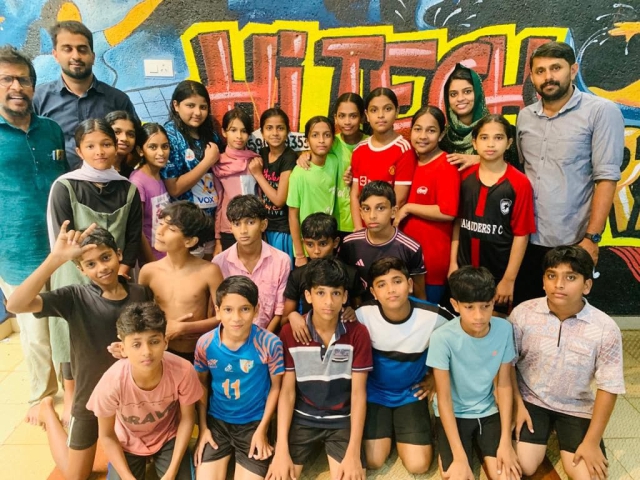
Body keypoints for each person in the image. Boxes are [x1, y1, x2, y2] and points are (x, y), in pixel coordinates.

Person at [6, 223, 153, 480]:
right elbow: (15, 304)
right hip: (89, 398)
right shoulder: (74, 297)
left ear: (118, 254)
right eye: (91, 264)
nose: (102, 267)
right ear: (80, 269)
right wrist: (55, 259)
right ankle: (47, 411)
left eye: (105, 257)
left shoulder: (140, 293)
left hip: (130, 397)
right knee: (76, 476)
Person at [47, 118, 142, 423]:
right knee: (70, 333)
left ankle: (115, 393)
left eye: (106, 144)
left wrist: (120, 273)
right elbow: (61, 240)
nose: (99, 151)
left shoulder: (128, 189)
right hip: (73, 272)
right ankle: (72, 394)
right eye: (90, 146)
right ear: (79, 151)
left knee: (114, 331)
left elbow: (132, 238)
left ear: (116, 147)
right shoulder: (64, 187)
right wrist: (87, 272)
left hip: (116, 273)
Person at [514, 41, 625, 304]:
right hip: (525, 240)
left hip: (572, 242)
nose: (548, 77)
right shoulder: (525, 117)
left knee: (569, 315)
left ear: (573, 70)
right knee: (527, 314)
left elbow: (606, 179)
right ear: (532, 76)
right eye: (540, 71)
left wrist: (591, 239)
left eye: (556, 68)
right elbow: (520, 171)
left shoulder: (600, 112)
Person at [510, 246, 625, 480]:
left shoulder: (606, 328)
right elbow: (507, 365)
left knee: (588, 476)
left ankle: (568, 434)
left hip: (576, 406)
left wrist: (591, 442)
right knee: (524, 465)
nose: (559, 284)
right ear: (543, 282)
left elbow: (609, 386)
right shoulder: (523, 314)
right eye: (551, 276)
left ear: (587, 285)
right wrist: (516, 405)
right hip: (531, 399)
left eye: (570, 277)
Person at [0, 45, 67, 425]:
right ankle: (41, 398)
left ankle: (73, 387)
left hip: (60, 243)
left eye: (23, 79)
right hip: (17, 249)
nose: (16, 87)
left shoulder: (50, 130)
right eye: (6, 79)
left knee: (65, 322)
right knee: (36, 329)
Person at [268, 258, 372, 480]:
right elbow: (287, 393)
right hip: (303, 417)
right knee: (280, 473)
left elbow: (358, 393)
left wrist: (353, 451)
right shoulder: (290, 333)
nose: (329, 302)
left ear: (345, 296)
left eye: (336, 293)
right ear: (308, 296)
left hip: (341, 418)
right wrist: (281, 449)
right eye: (321, 293)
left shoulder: (358, 333)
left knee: (352, 474)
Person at [357, 256, 452, 474]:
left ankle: (407, 430)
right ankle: (387, 431)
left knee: (418, 465)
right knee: (373, 460)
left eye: (397, 281)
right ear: (373, 292)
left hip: (411, 393)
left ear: (409, 285)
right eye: (382, 284)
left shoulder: (433, 316)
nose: (391, 289)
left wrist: (434, 378)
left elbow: (461, 337)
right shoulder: (363, 314)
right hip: (375, 393)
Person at [87, 302, 202, 480]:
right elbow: (107, 435)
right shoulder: (111, 382)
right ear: (123, 348)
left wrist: (172, 472)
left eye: (154, 342)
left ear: (165, 342)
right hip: (127, 441)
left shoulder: (183, 370)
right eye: (136, 344)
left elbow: (187, 419)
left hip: (167, 436)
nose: (146, 352)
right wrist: (127, 477)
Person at [426, 266, 521, 480]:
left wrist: (506, 442)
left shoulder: (504, 329)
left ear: (493, 302)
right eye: (469, 307)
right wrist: (459, 457)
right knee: (457, 475)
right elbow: (444, 398)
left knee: (507, 475)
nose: (479, 316)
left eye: (485, 306)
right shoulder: (442, 338)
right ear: (455, 305)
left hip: (488, 410)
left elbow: (504, 384)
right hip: (454, 413)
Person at [193, 276, 284, 480]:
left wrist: (263, 429)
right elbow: (201, 384)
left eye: (244, 309)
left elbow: (276, 387)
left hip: (253, 424)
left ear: (256, 309)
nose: (236, 318)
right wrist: (204, 428)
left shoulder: (270, 344)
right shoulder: (205, 344)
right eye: (228, 309)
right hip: (217, 423)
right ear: (217, 310)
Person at [450, 114, 535, 310]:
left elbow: (521, 234)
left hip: (498, 275)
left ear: (509, 143)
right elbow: (458, 222)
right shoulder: (463, 177)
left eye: (498, 138)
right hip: (464, 271)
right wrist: (453, 263)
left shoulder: (519, 183)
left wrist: (508, 279)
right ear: (474, 142)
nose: (490, 144)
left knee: (495, 321)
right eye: (484, 137)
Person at [34, 20, 138, 170]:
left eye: (82, 50)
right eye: (67, 49)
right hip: (56, 183)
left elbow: (136, 146)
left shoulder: (118, 100)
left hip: (107, 182)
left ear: (93, 56)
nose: (76, 56)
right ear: (55, 55)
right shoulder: (38, 99)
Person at [138, 201, 223, 363]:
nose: (160, 231)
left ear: (189, 241)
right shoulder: (148, 272)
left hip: (199, 352)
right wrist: (162, 327)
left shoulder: (209, 271)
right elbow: (140, 315)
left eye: (171, 229)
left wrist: (184, 328)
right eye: (161, 224)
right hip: (161, 352)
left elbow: (224, 316)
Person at [396, 106, 460, 304]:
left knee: (427, 315)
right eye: (418, 129)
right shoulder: (409, 160)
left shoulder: (446, 165)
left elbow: (448, 211)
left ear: (441, 135)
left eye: (431, 131)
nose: (423, 136)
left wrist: (409, 207)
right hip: (404, 260)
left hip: (431, 262)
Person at [161, 80, 222, 259]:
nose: (197, 112)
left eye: (203, 107)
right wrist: (207, 162)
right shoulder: (169, 137)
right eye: (190, 105)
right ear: (176, 105)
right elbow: (174, 188)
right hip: (185, 227)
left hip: (212, 226)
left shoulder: (211, 135)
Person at [212, 195, 290, 332]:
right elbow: (217, 310)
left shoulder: (281, 260)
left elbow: (279, 311)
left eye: (250, 222)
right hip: (230, 335)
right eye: (237, 224)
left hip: (267, 335)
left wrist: (263, 338)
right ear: (231, 228)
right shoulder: (219, 263)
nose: (243, 231)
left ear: (263, 225)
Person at [282, 213, 364, 343]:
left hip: (342, 339)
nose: (316, 251)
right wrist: (293, 316)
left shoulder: (350, 273)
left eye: (323, 244)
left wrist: (353, 312)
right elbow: (284, 319)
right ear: (303, 243)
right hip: (308, 339)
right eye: (310, 244)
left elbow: (359, 309)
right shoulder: (298, 275)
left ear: (335, 242)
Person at [296, 93, 368, 237]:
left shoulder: (370, 145)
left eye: (353, 116)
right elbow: (316, 154)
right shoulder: (330, 142)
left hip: (363, 222)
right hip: (332, 222)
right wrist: (304, 155)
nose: (347, 122)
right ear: (335, 118)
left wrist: (356, 179)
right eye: (342, 116)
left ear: (362, 117)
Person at [340, 180, 426, 301]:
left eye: (380, 208)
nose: (372, 216)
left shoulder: (410, 248)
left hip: (397, 309)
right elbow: (343, 285)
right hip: (361, 310)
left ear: (393, 211)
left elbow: (419, 295)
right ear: (361, 213)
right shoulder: (349, 243)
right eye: (366, 209)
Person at [350, 87, 415, 230]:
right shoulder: (359, 150)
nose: (380, 115)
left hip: (388, 231)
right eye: (374, 110)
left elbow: (399, 199)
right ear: (367, 115)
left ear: (397, 112)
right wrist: (358, 229)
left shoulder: (404, 149)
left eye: (387, 109)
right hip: (364, 230)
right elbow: (355, 195)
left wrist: (377, 229)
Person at [441, 63, 518, 170]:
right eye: (453, 94)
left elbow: (513, 169)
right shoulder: (443, 139)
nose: (460, 98)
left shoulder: (504, 131)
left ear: (478, 93)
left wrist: (479, 159)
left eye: (467, 92)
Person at [287, 116, 339, 267]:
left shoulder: (334, 161)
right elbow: (293, 216)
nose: (321, 140)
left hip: (327, 244)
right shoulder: (299, 173)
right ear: (307, 140)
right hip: (308, 248)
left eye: (327, 135)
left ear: (333, 140)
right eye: (315, 135)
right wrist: (299, 254)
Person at [249, 108, 297, 264]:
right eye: (269, 128)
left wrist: (258, 175)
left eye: (280, 128)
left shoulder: (289, 157)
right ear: (262, 133)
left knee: (281, 269)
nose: (275, 133)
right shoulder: (262, 153)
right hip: (265, 226)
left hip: (282, 228)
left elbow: (279, 200)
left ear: (288, 131)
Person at [213, 107, 259, 255]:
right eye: (233, 130)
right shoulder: (218, 163)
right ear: (224, 132)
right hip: (229, 229)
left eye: (244, 131)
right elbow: (219, 202)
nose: (239, 136)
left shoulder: (255, 161)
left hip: (253, 228)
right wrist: (218, 239)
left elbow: (260, 197)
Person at [129, 123, 171, 264]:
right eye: (153, 147)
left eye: (165, 146)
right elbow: (138, 229)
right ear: (140, 151)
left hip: (166, 254)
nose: (161, 153)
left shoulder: (160, 174)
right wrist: (151, 261)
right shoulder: (138, 182)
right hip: (152, 259)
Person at [105, 110, 140, 178]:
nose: (124, 138)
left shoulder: (131, 175)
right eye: (117, 132)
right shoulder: (92, 171)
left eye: (130, 134)